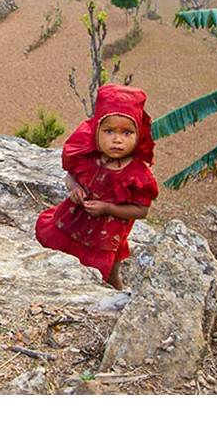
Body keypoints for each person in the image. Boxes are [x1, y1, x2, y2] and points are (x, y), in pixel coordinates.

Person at [35, 84, 158, 290]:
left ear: (139, 135)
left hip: (106, 236)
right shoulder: (88, 158)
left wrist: (107, 208)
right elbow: (70, 177)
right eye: (109, 131)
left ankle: (117, 296)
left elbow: (142, 211)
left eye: (127, 133)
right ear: (96, 131)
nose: (117, 139)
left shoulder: (137, 176)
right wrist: (74, 190)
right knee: (58, 258)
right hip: (73, 222)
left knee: (108, 273)